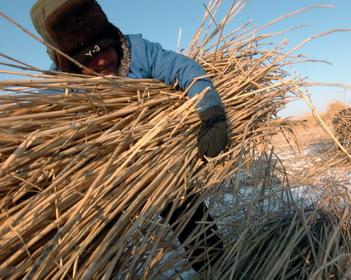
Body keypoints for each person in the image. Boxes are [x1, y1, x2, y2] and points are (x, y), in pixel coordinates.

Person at [30, 0, 227, 272]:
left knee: (188, 209)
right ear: (70, 65)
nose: (101, 61)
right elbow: (37, 132)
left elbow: (183, 68)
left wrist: (211, 112)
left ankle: (218, 268)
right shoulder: (58, 89)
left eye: (104, 48)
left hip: (158, 160)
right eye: (89, 59)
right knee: (97, 244)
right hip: (104, 177)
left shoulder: (136, 51)